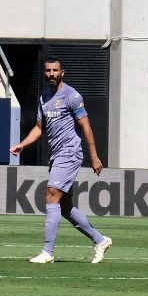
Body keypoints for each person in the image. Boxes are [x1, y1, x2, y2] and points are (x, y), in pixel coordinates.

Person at [10, 57, 112, 264]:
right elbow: (39, 128)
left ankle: (48, 252)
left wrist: (94, 156)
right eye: (47, 71)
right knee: (64, 207)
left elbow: (86, 126)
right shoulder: (44, 98)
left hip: (69, 153)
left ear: (62, 73)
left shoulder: (71, 96)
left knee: (51, 196)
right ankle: (100, 240)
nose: (51, 74)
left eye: (55, 71)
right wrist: (23, 144)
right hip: (56, 155)